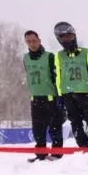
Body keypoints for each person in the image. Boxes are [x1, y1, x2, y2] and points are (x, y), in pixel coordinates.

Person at [22, 30, 65, 162]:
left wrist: (60, 98)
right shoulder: (25, 58)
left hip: (50, 99)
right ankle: (40, 155)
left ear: (39, 41)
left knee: (54, 128)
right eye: (28, 41)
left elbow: (57, 78)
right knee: (38, 130)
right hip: (35, 99)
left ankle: (57, 155)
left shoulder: (50, 57)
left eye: (34, 41)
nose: (32, 44)